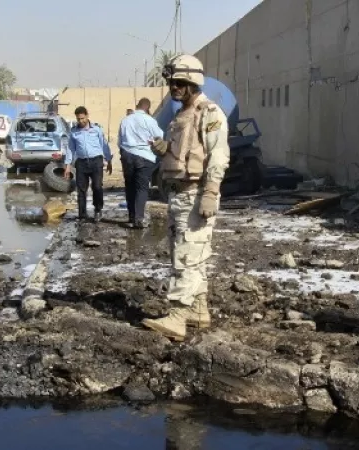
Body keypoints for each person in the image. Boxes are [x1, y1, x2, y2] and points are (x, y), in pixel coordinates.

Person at [141, 54, 230, 341]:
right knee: (193, 255)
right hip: (178, 195)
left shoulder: (210, 113)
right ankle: (198, 310)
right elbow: (184, 153)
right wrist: (165, 149)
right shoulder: (181, 115)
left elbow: (218, 156)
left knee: (187, 258)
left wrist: (211, 192)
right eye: (172, 82)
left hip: (196, 193)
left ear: (193, 82)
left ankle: (178, 316)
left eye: (179, 82)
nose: (174, 88)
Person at [118, 98, 164, 228]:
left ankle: (131, 217)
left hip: (127, 155)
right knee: (142, 188)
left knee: (130, 186)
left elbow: (119, 141)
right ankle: (139, 218)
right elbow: (159, 136)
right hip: (144, 156)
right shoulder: (150, 120)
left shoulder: (125, 120)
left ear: (137, 106)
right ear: (148, 108)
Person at [64, 106, 113, 223]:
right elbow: (70, 149)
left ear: (87, 116)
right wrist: (67, 166)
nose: (81, 121)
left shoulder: (96, 129)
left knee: (97, 186)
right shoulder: (74, 132)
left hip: (96, 161)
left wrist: (109, 160)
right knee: (81, 190)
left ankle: (98, 209)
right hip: (81, 163)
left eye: (82, 118)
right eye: (78, 119)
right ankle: (82, 215)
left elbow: (104, 145)